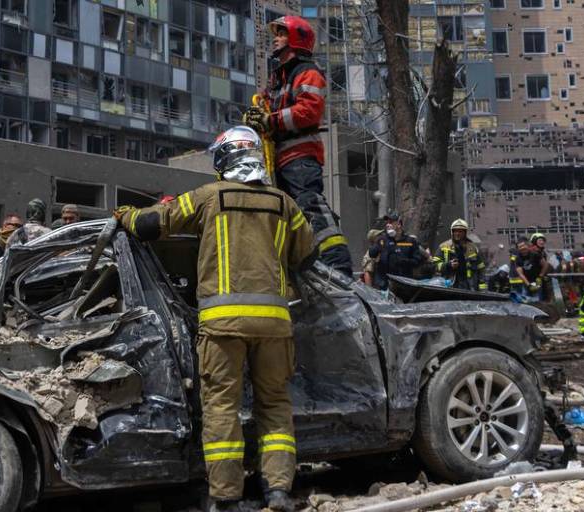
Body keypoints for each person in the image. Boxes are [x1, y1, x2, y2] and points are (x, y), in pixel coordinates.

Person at [115, 126, 315, 512]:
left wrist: (125, 215)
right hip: (274, 324)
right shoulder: (283, 204)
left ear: (224, 159)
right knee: (274, 404)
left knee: (222, 407)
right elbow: (307, 256)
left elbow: (151, 225)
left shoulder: (208, 197)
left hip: (223, 326)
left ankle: (226, 499)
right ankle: (277, 492)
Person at [244, 15, 352, 277]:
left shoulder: (307, 72)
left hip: (301, 156)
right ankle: (308, 270)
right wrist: (257, 117)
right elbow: (268, 108)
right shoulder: (278, 77)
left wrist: (272, 119)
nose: (275, 39)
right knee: (292, 215)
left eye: (281, 34)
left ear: (295, 39)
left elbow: (309, 111)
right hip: (282, 158)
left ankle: (338, 265)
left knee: (309, 206)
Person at [368, 212, 423, 290]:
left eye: (390, 222)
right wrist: (381, 242)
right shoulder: (383, 239)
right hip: (384, 284)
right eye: (387, 222)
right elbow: (372, 254)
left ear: (399, 224)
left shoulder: (410, 241)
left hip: (403, 284)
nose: (387, 225)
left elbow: (417, 261)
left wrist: (404, 261)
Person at [433, 219, 485, 291]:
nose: (457, 233)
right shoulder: (444, 247)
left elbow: (481, 268)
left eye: (460, 231)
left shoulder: (473, 248)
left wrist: (482, 287)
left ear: (465, 232)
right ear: (452, 232)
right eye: (455, 231)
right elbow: (434, 265)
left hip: (470, 286)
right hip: (450, 285)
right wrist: (448, 265)